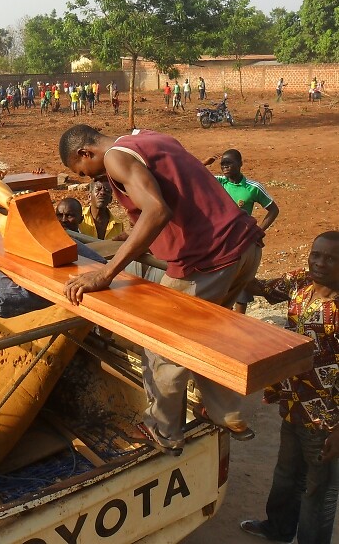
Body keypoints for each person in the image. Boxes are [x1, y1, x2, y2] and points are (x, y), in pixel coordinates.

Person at [58, 124, 265, 455]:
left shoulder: (114, 158)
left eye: (83, 171)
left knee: (161, 344)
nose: (91, 178)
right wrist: (134, 236)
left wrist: (106, 274)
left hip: (207, 260)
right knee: (204, 336)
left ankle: (163, 431)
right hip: (245, 247)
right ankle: (229, 414)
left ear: (85, 152)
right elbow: (179, 193)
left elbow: (157, 210)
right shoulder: (151, 138)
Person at [240, 231, 339, 544]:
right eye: (316, 254)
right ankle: (278, 529)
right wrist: (232, 260)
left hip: (326, 418)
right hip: (293, 403)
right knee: (286, 473)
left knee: (319, 489)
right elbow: (260, 288)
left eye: (331, 258)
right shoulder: (301, 283)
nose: (319, 263)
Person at [203, 149, 279, 313]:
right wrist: (204, 163)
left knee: (241, 282)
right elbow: (194, 175)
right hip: (220, 240)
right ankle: (224, 316)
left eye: (229, 163)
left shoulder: (253, 187)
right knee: (221, 280)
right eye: (223, 164)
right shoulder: (219, 182)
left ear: (240, 164)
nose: (225, 166)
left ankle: (239, 319)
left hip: (241, 241)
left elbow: (273, 210)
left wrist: (259, 231)